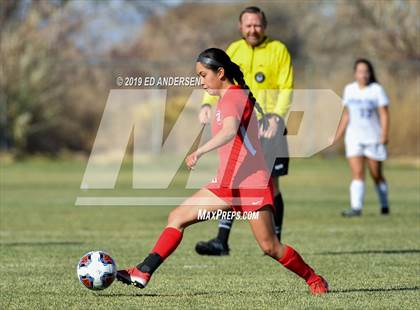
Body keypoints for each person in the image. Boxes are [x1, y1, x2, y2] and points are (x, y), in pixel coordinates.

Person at [116, 48, 329, 295]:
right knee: (177, 217)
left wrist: (199, 151)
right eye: (198, 76)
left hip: (251, 184)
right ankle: (143, 270)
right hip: (227, 184)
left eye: (203, 75)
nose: (201, 81)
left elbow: (229, 130)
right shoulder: (225, 99)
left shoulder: (234, 97)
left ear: (220, 72)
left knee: (271, 247)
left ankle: (314, 280)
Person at [196, 6, 293, 256]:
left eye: (257, 25)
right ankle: (221, 240)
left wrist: (277, 118)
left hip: (269, 126)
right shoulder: (234, 50)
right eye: (248, 25)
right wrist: (207, 105)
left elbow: (286, 87)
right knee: (233, 178)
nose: (253, 29)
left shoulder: (278, 50)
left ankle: (275, 240)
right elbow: (218, 83)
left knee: (273, 184)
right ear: (240, 27)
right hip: (241, 126)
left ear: (265, 26)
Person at [334, 59, 390, 217]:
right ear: (355, 73)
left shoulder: (376, 90)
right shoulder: (349, 89)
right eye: (360, 71)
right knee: (358, 173)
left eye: (366, 71)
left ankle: (384, 205)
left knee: (376, 174)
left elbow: (384, 114)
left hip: (373, 138)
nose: (363, 75)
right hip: (354, 138)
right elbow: (346, 115)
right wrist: (337, 135)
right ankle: (356, 208)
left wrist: (384, 135)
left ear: (370, 73)